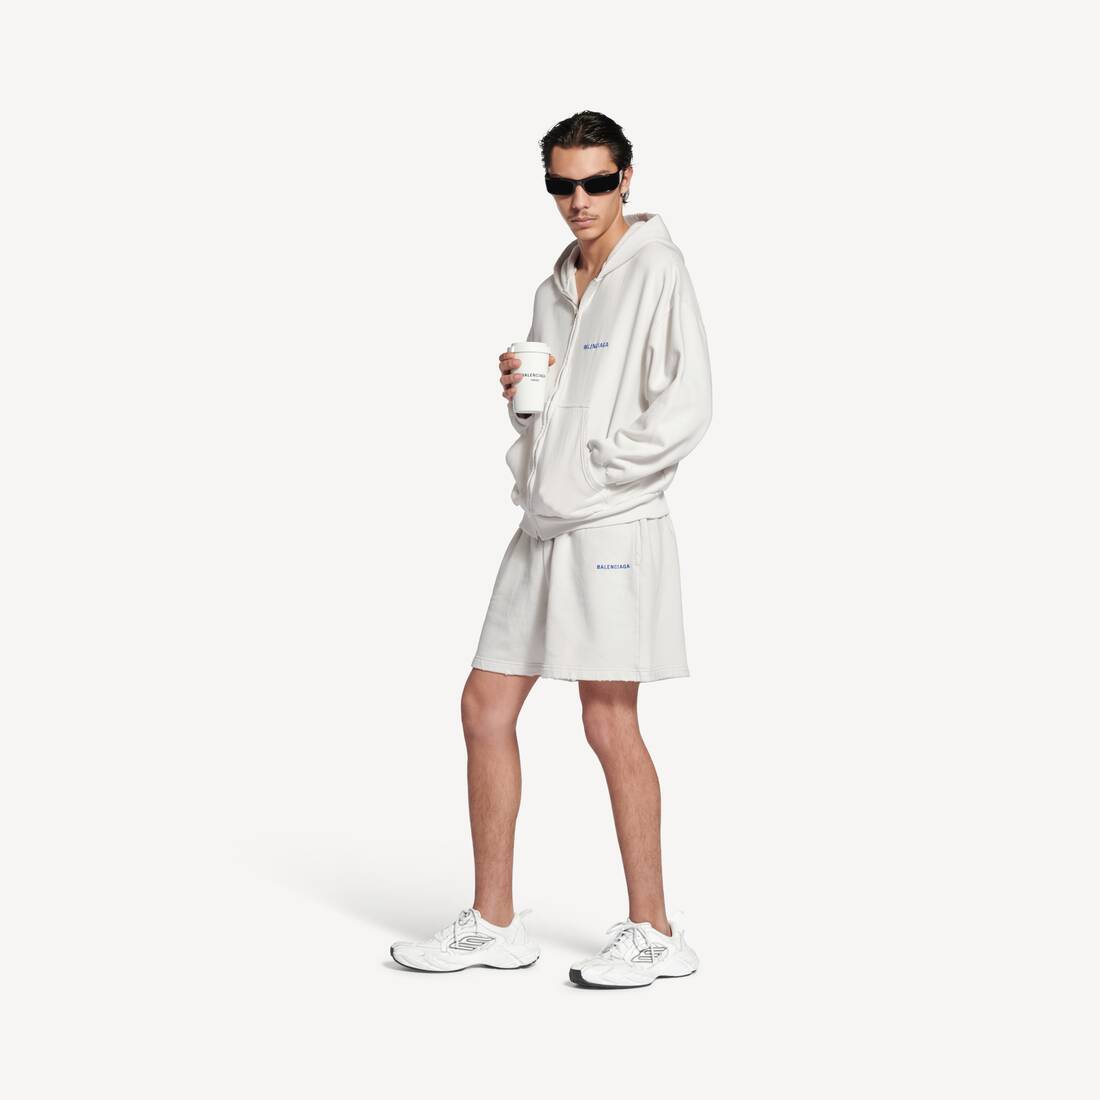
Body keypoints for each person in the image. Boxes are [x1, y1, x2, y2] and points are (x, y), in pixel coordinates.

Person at [389, 111, 713, 989]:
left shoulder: (659, 270)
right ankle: (495, 921)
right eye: (562, 186)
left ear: (626, 178)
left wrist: (599, 468)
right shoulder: (553, 285)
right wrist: (524, 405)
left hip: (611, 524)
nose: (580, 201)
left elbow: (687, 405)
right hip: (540, 521)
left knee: (608, 721)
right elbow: (557, 407)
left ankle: (655, 932)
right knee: (484, 705)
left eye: (597, 183)